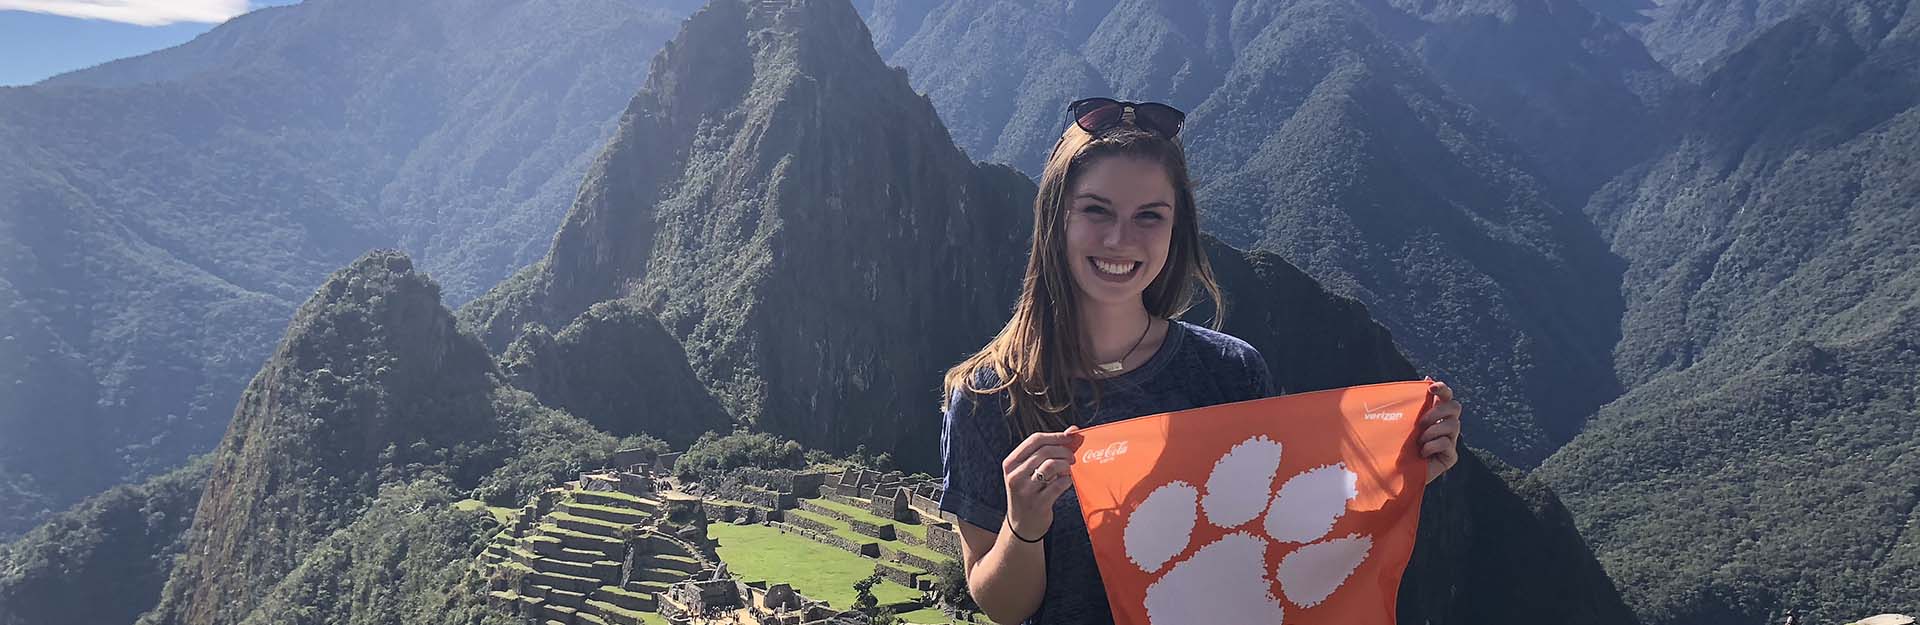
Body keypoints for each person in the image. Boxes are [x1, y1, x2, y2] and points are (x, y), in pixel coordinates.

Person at [935, 97, 1465, 625]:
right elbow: (1004, 607)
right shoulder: (991, 394)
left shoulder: (1229, 372)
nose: (1120, 239)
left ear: (1176, 228)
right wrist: (1024, 524)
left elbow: (1288, 533)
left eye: (1150, 216)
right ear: (1057, 218)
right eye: (1096, 210)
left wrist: (1406, 468)